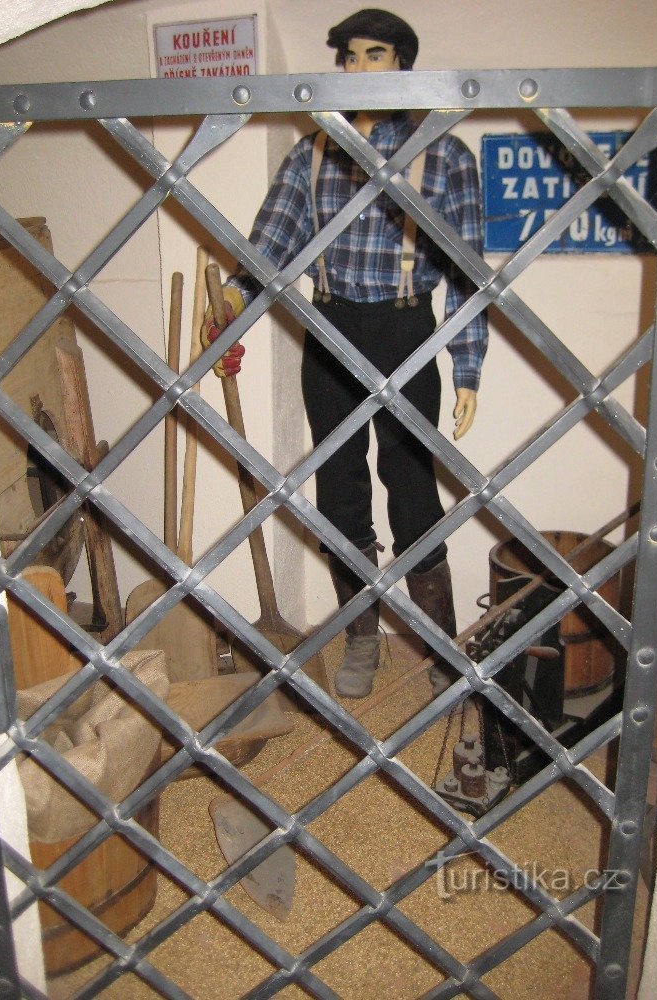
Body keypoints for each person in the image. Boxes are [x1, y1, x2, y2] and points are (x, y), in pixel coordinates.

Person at [203, 8, 488, 698]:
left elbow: (467, 274)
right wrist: (234, 302)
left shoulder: (444, 154)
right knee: (338, 489)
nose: (359, 69)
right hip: (329, 329)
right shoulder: (314, 153)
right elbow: (271, 244)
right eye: (351, 57)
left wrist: (467, 367)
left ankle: (440, 643)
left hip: (405, 330)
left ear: (402, 66)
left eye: (374, 55)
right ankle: (363, 634)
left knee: (412, 487)